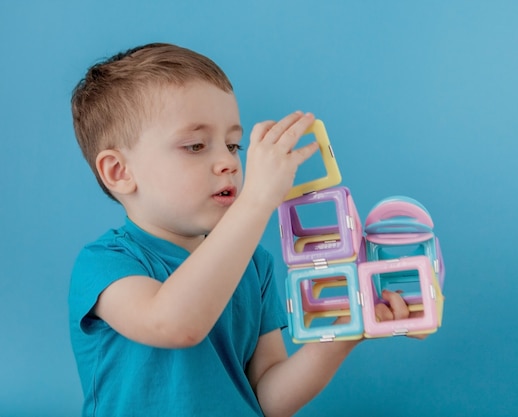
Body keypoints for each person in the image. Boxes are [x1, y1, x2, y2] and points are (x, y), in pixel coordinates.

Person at [69, 42, 416, 417]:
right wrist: (256, 201)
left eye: (233, 145)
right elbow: (174, 323)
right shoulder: (104, 264)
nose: (228, 162)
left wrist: (346, 334)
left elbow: (266, 398)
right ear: (120, 172)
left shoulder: (254, 263)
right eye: (196, 145)